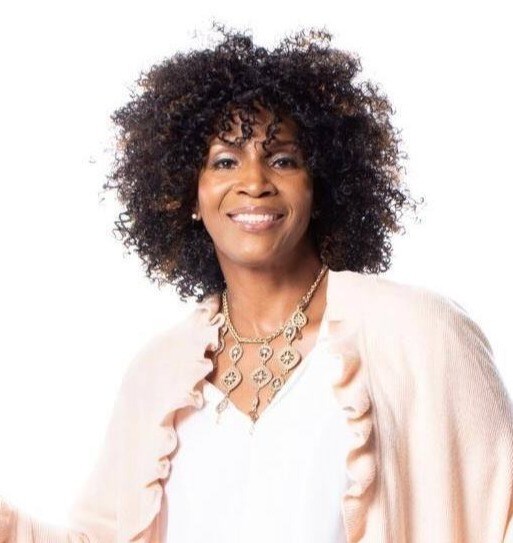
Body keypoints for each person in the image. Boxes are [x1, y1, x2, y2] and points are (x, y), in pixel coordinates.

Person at [2, 20, 513, 543]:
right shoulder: (159, 374)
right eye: (225, 161)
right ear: (190, 194)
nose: (253, 182)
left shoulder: (419, 335)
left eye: (282, 159)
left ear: (318, 186)